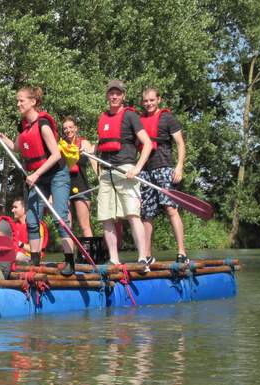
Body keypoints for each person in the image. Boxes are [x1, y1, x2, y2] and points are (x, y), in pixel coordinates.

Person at [0, 86, 75, 276]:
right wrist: (2, 137)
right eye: (17, 100)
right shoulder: (24, 126)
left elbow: (55, 155)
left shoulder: (43, 124)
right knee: (31, 219)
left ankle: (70, 260)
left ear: (33, 102)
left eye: (21, 100)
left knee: (60, 215)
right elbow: (15, 147)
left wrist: (36, 174)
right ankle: (35, 261)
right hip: (39, 176)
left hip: (57, 174)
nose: (18, 104)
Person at [95, 80, 153, 269]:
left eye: (117, 94)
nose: (114, 97)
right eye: (111, 93)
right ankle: (114, 258)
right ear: (107, 96)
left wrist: (137, 168)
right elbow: (99, 147)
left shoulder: (130, 116)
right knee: (106, 217)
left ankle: (143, 257)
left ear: (123, 96)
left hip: (126, 170)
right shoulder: (103, 118)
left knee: (132, 215)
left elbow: (147, 143)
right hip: (106, 173)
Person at [139, 87, 188, 264]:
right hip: (145, 170)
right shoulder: (140, 120)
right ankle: (147, 255)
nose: (149, 104)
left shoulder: (167, 118)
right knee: (147, 213)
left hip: (165, 167)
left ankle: (182, 251)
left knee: (170, 208)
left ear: (158, 99)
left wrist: (179, 167)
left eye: (152, 100)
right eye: (146, 101)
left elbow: (180, 143)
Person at [62, 116, 94, 237]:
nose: (68, 130)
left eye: (70, 127)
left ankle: (90, 254)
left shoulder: (83, 142)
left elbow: (93, 159)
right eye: (65, 128)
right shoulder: (62, 145)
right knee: (66, 226)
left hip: (81, 186)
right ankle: (70, 255)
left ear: (76, 128)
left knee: (84, 225)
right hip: (65, 187)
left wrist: (100, 177)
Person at [10, 196, 49, 263]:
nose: (12, 210)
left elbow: (38, 249)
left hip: (31, 258)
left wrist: (20, 243)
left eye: (15, 207)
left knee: (16, 255)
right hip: (16, 255)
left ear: (24, 209)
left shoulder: (37, 225)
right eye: (13, 208)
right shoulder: (14, 225)